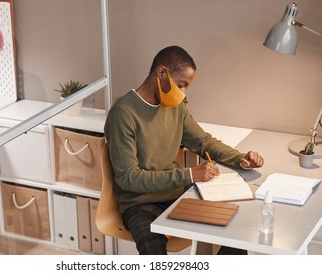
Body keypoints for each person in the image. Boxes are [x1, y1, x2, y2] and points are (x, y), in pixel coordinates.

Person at [104, 45, 264, 255]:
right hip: (139, 203)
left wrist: (240, 158)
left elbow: (203, 142)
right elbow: (128, 178)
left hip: (178, 195)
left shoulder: (175, 107)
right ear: (161, 73)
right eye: (181, 85)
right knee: (153, 253)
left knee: (236, 229)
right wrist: (190, 174)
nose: (183, 93)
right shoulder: (123, 114)